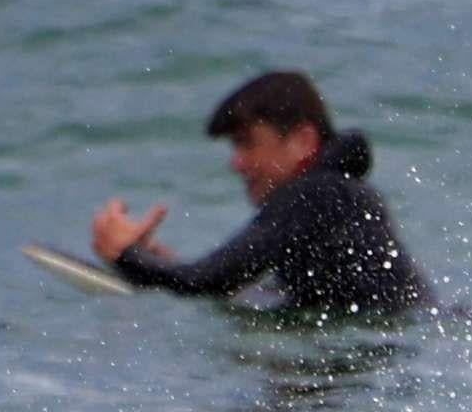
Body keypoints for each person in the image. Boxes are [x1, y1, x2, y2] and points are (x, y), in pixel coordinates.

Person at [89, 70, 431, 317]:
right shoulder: (342, 194)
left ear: (303, 141)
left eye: (247, 144)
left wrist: (126, 256)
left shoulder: (314, 195)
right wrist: (159, 264)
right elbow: (244, 287)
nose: (237, 163)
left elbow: (208, 282)